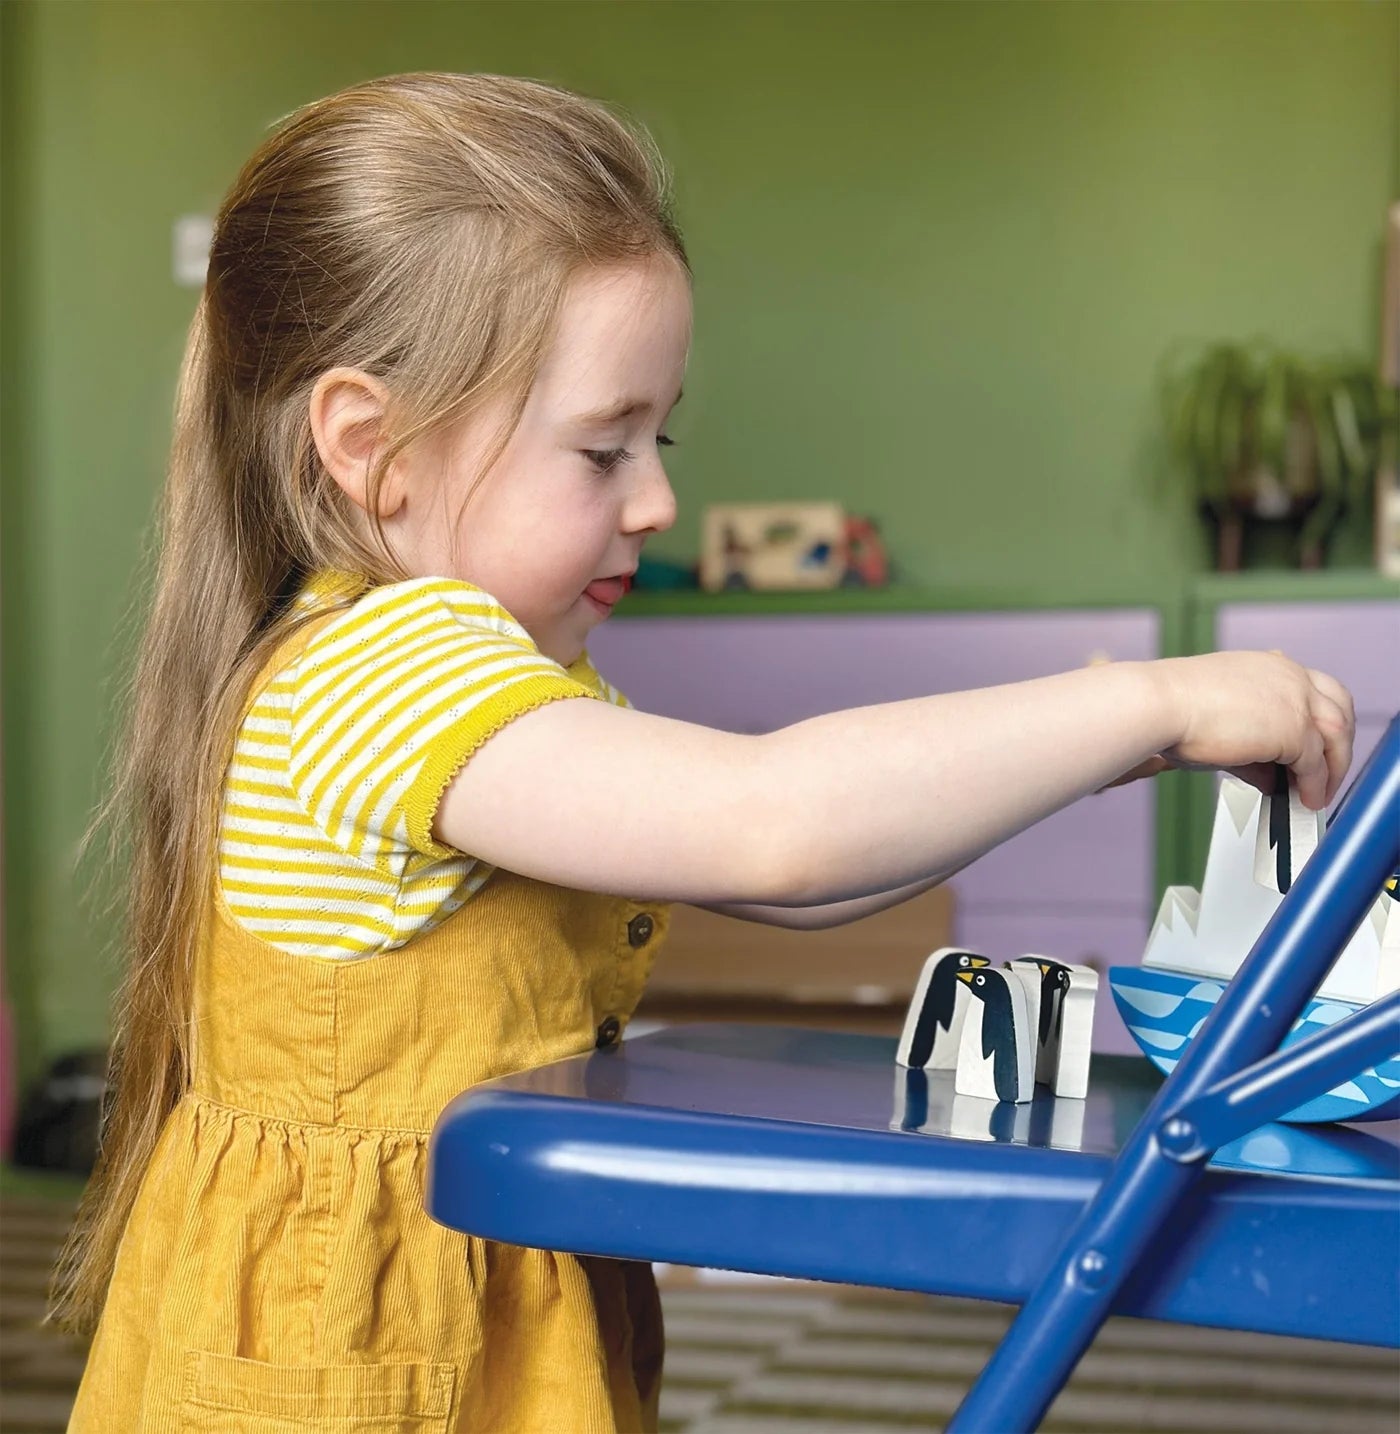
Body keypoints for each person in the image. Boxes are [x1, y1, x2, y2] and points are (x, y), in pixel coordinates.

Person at [53, 72, 1354, 1433]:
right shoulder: (383, 668)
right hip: (359, 1367)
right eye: (603, 447)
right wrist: (1147, 701)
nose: (659, 499)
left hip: (455, 1335)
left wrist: (1087, 744)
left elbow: (800, 881)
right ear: (375, 450)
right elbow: (769, 823)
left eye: (655, 439)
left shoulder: (475, 677)